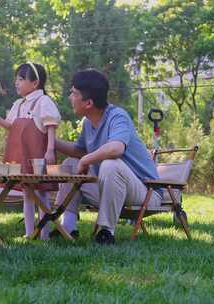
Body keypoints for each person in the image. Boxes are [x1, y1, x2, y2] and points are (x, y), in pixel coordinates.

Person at [53, 69, 162, 245]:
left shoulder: (117, 116)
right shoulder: (89, 122)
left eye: (73, 93)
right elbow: (79, 151)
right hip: (113, 189)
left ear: (88, 103)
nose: (70, 97)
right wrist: (51, 141)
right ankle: (68, 227)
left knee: (111, 164)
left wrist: (86, 160)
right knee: (70, 164)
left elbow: (116, 148)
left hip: (146, 191)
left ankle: (106, 232)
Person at [0, 63, 61, 240]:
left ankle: (44, 234)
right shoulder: (18, 104)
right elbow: (11, 126)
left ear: (35, 83)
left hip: (37, 155)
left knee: (41, 192)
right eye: (16, 79)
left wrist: (50, 150)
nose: (16, 83)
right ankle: (28, 233)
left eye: (21, 79)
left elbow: (51, 126)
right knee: (27, 192)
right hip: (19, 155)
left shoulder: (43, 102)